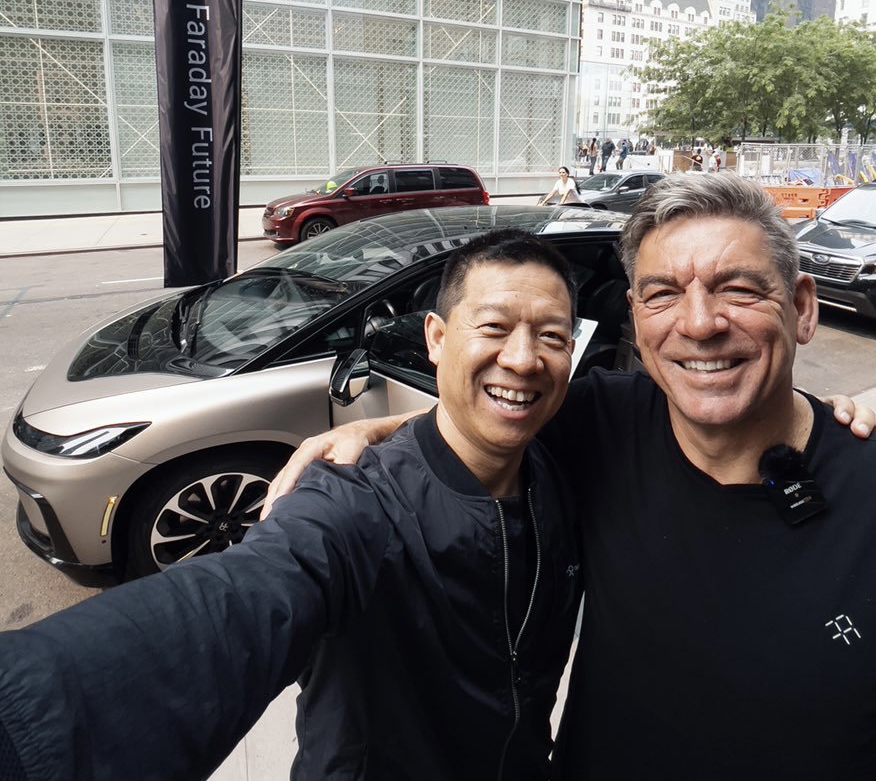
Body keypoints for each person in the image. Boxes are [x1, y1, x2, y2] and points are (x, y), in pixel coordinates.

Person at [264, 173, 876, 781]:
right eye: (663, 293)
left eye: (738, 289)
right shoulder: (603, 421)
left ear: (801, 306)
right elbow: (492, 413)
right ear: (635, 317)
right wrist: (376, 430)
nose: (698, 323)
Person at [0, 231, 584, 781]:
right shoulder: (356, 503)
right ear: (436, 337)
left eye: (552, 337)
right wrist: (26, 730)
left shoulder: (568, 459)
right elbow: (246, 596)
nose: (524, 359)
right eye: (493, 327)